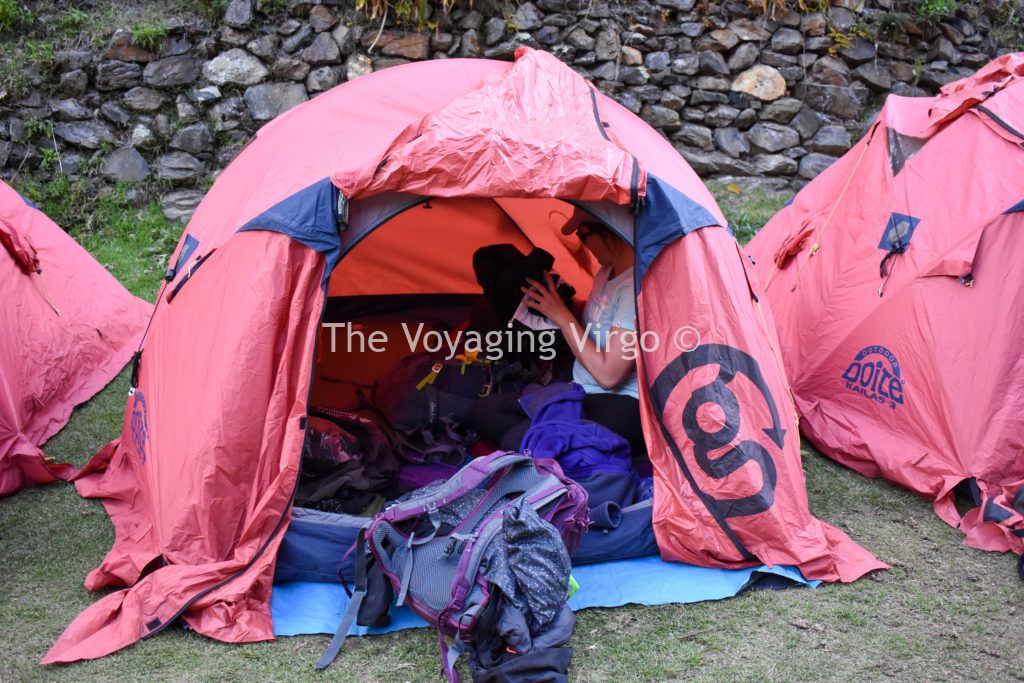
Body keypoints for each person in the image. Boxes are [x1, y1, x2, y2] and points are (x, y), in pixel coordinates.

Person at [465, 208, 646, 463]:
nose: (582, 245)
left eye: (583, 235)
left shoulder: (635, 288)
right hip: (578, 388)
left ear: (612, 229)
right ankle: (566, 442)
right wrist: (553, 301)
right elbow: (593, 325)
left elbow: (610, 376)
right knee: (484, 411)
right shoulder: (606, 272)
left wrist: (562, 315)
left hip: (621, 403)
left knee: (517, 442)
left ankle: (567, 448)